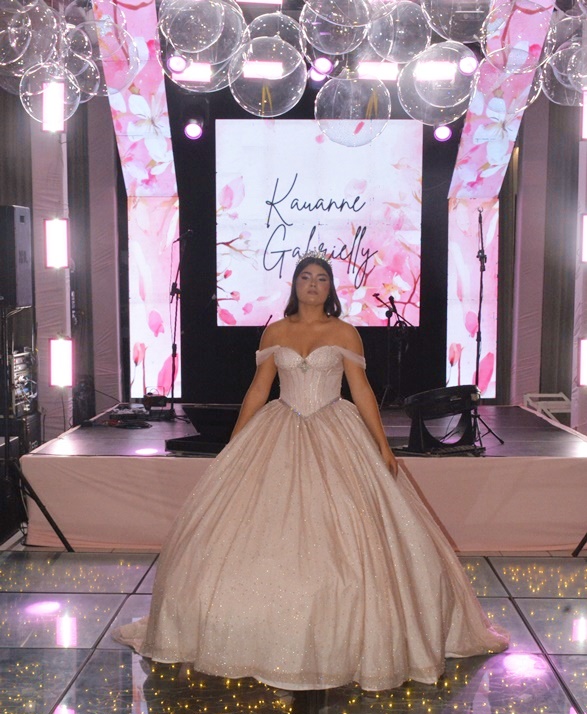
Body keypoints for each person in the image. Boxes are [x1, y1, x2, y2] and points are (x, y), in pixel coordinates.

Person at [114, 254, 508, 690]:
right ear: (295, 284)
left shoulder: (344, 332)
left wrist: (381, 444)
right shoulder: (275, 331)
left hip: (335, 429)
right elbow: (259, 389)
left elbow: (361, 390)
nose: (314, 284)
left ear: (330, 287)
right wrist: (235, 443)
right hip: (279, 426)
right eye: (306, 277)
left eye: (321, 278)